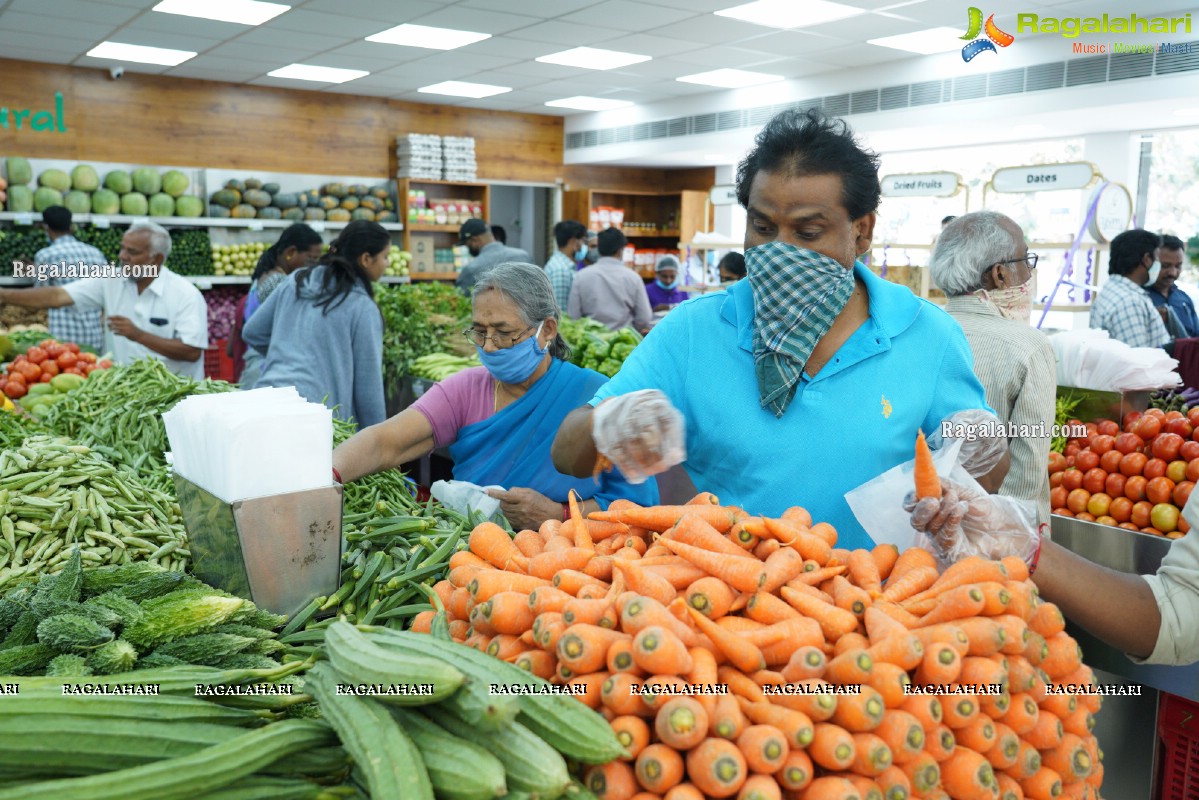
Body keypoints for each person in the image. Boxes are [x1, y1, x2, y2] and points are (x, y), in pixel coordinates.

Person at [552, 108, 1006, 550]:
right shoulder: (694, 331)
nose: (779, 252)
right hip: (735, 602)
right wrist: (605, 424)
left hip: (883, 605)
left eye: (807, 233)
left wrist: (981, 450)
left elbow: (985, 478)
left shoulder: (928, 334)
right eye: (763, 227)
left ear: (862, 232)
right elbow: (567, 456)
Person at [332, 262, 657, 531]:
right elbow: (385, 442)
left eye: (503, 332)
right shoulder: (464, 389)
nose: (488, 345)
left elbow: (637, 506)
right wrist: (325, 475)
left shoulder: (596, 395)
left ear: (547, 329)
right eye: (479, 330)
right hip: (469, 559)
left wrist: (560, 515)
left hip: (572, 567)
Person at [931, 211, 1057, 526]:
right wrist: (1011, 537)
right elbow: (1028, 468)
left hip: (925, 513)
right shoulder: (1029, 346)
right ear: (1000, 275)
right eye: (1025, 260)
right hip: (991, 528)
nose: (1029, 271)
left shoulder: (921, 329)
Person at [0, 222, 208, 379]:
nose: (122, 256)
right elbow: (58, 295)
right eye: (123, 248)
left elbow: (191, 351)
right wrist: (4, 294)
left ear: (157, 258)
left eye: (132, 252)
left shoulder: (185, 294)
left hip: (173, 395)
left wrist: (138, 335)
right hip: (125, 393)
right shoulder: (112, 280)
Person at [243, 221, 387, 427]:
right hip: (317, 419)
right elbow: (368, 392)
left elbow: (253, 332)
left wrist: (287, 352)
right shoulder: (362, 306)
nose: (387, 263)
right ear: (366, 259)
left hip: (267, 401)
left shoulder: (296, 280)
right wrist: (380, 449)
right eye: (385, 256)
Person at [229, 224, 323, 387]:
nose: (314, 267)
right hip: (264, 370)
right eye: (311, 259)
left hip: (257, 367)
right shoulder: (279, 283)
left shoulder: (265, 276)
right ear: (290, 253)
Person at [33, 206, 105, 351]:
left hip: (62, 339)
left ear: (47, 228)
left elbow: (40, 295)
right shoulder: (95, 253)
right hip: (94, 335)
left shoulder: (46, 255)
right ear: (71, 226)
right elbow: (105, 290)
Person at [1089, 229, 1171, 349]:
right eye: (1157, 258)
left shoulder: (1113, 290)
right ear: (1147, 259)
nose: (1158, 263)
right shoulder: (1129, 302)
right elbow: (1138, 362)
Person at [566, 228, 653, 333]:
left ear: (599, 249)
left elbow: (573, 316)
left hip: (590, 345)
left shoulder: (581, 277)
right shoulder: (633, 278)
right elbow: (644, 318)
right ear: (620, 250)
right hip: (624, 342)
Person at [455, 219, 531, 294]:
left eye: (467, 244)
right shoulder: (524, 256)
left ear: (475, 240)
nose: (468, 248)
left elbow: (461, 300)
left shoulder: (472, 269)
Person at [1146, 234, 1199, 338]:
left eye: (1178, 266)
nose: (1173, 273)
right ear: (1149, 262)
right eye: (1165, 266)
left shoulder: (1184, 299)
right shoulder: (1139, 298)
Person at [544, 220, 588, 312]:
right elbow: (560, 312)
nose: (584, 247)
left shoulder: (565, 265)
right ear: (573, 242)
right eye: (583, 241)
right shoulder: (561, 270)